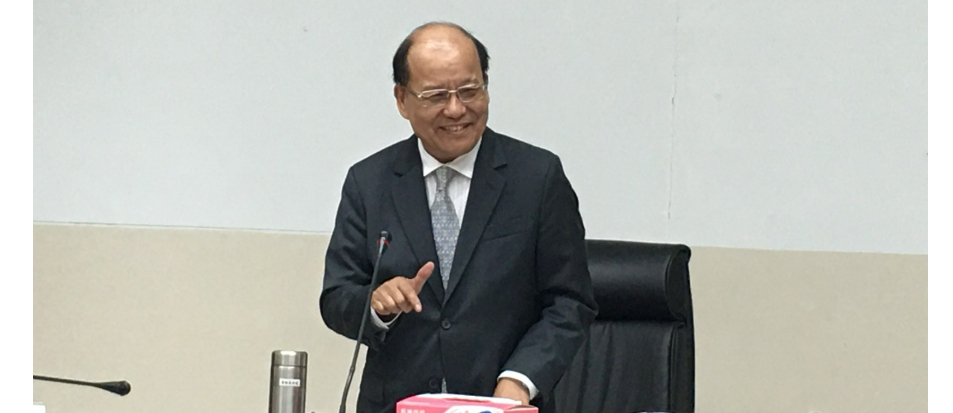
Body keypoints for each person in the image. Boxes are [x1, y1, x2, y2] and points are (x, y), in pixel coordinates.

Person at [319, 22, 597, 413]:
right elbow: (337, 297)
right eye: (436, 95)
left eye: (469, 90)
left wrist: (519, 379)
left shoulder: (537, 178)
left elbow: (570, 302)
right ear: (402, 99)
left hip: (501, 405)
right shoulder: (369, 182)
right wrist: (377, 306)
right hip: (396, 405)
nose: (456, 109)